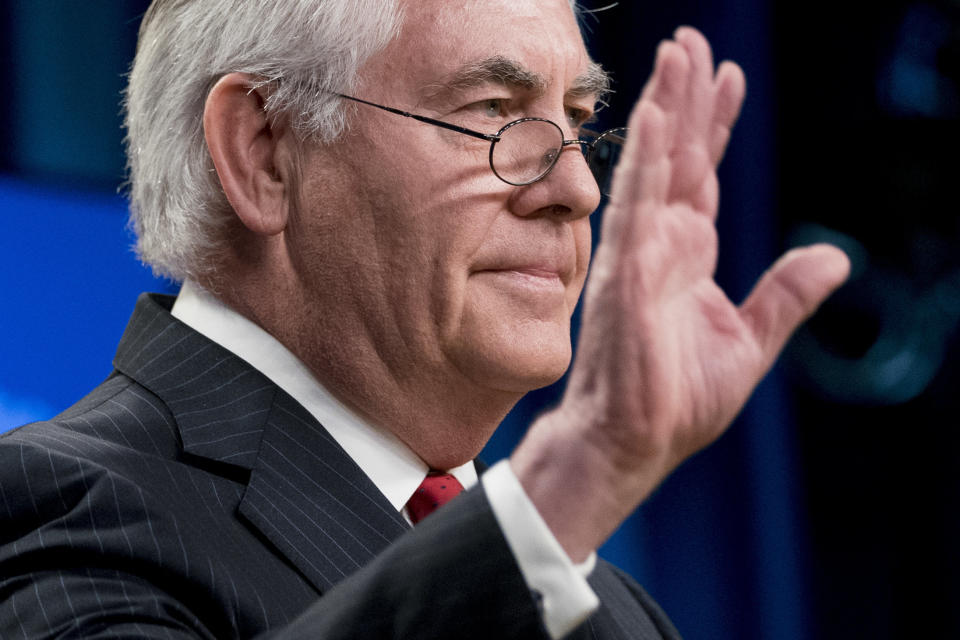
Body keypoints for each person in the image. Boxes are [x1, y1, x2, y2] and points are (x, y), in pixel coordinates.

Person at [0, 0, 850, 638]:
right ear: (263, 153)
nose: (578, 189)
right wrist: (574, 482)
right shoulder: (62, 508)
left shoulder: (614, 611)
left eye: (579, 123)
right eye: (492, 112)